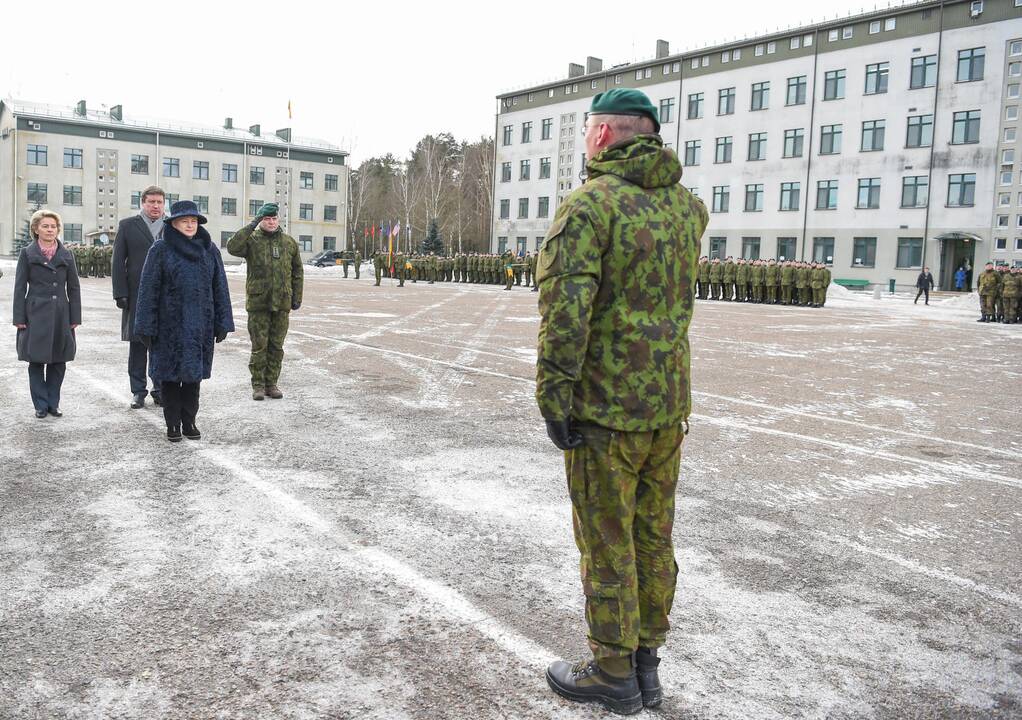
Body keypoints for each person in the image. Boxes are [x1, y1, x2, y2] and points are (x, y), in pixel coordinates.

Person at [536, 88, 708, 715]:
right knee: (653, 537)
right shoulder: (686, 209)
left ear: (605, 135)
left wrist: (554, 397)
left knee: (608, 540)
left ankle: (613, 671)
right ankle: (647, 666)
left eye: (588, 130)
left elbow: (566, 315)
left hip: (606, 412)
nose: (587, 140)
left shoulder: (590, 207)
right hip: (666, 408)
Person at [134, 200, 234, 442]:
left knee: (193, 377)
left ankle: (189, 420)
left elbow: (220, 287)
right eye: (184, 221)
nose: (190, 225)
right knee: (169, 378)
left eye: (193, 221)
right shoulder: (160, 250)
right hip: (168, 326)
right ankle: (172, 424)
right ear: (174, 223)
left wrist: (223, 321)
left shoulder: (210, 251)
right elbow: (148, 290)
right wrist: (145, 326)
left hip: (200, 325)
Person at [227, 202, 304, 400]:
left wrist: (296, 296)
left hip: (282, 303)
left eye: (273, 218)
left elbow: (297, 272)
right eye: (266, 219)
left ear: (278, 220)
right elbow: (232, 247)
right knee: (259, 346)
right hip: (259, 303)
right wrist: (252, 223)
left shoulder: (288, 242)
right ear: (261, 220)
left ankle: (272, 384)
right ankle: (258, 385)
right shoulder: (251, 240)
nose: (270, 222)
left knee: (276, 347)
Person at [12, 210, 81, 419]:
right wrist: (19, 318)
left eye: (53, 226)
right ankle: (40, 405)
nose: (50, 230)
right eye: (45, 226)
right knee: (36, 360)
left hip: (61, 313)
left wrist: (75, 317)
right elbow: (19, 287)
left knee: (59, 361)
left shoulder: (67, 254)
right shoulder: (27, 253)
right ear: (36, 229)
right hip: (35, 313)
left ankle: (53, 403)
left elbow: (74, 288)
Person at [113, 185, 166, 409]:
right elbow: (117, 261)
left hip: (165, 296)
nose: (155, 206)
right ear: (142, 203)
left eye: (159, 202)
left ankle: (160, 389)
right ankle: (138, 391)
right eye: (151, 202)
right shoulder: (128, 226)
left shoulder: (172, 226)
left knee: (162, 345)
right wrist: (120, 293)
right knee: (137, 345)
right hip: (136, 295)